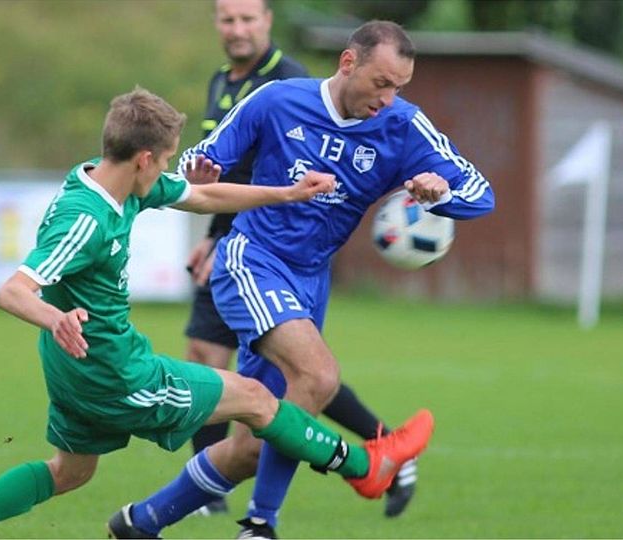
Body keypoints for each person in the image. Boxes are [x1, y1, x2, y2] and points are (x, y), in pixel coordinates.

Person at [0, 87, 435, 540]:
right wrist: (55, 317)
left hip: (71, 369)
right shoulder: (86, 219)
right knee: (255, 398)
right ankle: (368, 467)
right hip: (114, 370)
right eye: (165, 159)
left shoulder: (107, 179)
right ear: (143, 158)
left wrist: (286, 192)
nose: (167, 169)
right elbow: (14, 291)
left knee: (70, 472)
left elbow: (203, 196)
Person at [111, 21, 495, 540]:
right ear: (348, 63)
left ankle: (141, 521)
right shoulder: (277, 100)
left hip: (311, 281)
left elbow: (480, 192)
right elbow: (202, 161)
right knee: (318, 376)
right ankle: (265, 523)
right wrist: (202, 171)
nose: (388, 98)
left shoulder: (403, 126)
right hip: (252, 258)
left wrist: (437, 191)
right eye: (381, 83)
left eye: (398, 87)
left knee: (254, 442)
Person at [184, 0, 417, 520]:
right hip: (236, 238)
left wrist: (222, 234)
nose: (237, 29)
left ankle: (378, 454)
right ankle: (212, 490)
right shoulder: (222, 81)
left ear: (268, 21)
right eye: (227, 19)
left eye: (248, 19)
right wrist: (209, 232)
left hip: (266, 248)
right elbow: (223, 170)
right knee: (235, 361)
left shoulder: (287, 83)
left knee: (297, 375)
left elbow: (289, 176)